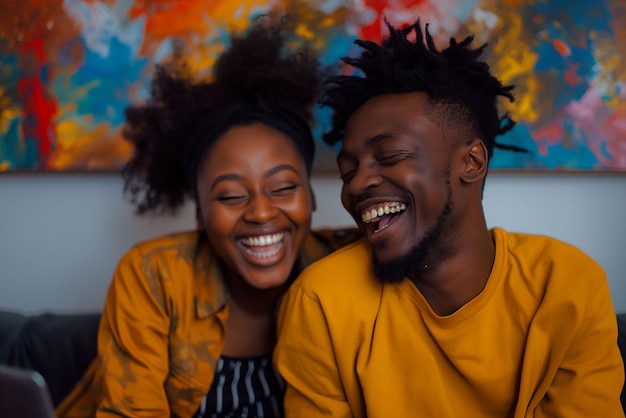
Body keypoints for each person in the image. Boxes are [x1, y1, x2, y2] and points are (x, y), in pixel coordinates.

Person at [273, 18, 625, 417]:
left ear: (471, 162)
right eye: (347, 171)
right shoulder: (322, 300)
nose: (356, 186)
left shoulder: (566, 287)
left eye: (389, 156)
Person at [56, 17, 360, 417]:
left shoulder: (348, 266)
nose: (262, 212)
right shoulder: (153, 277)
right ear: (200, 212)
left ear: (310, 196)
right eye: (231, 195)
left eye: (284, 188)